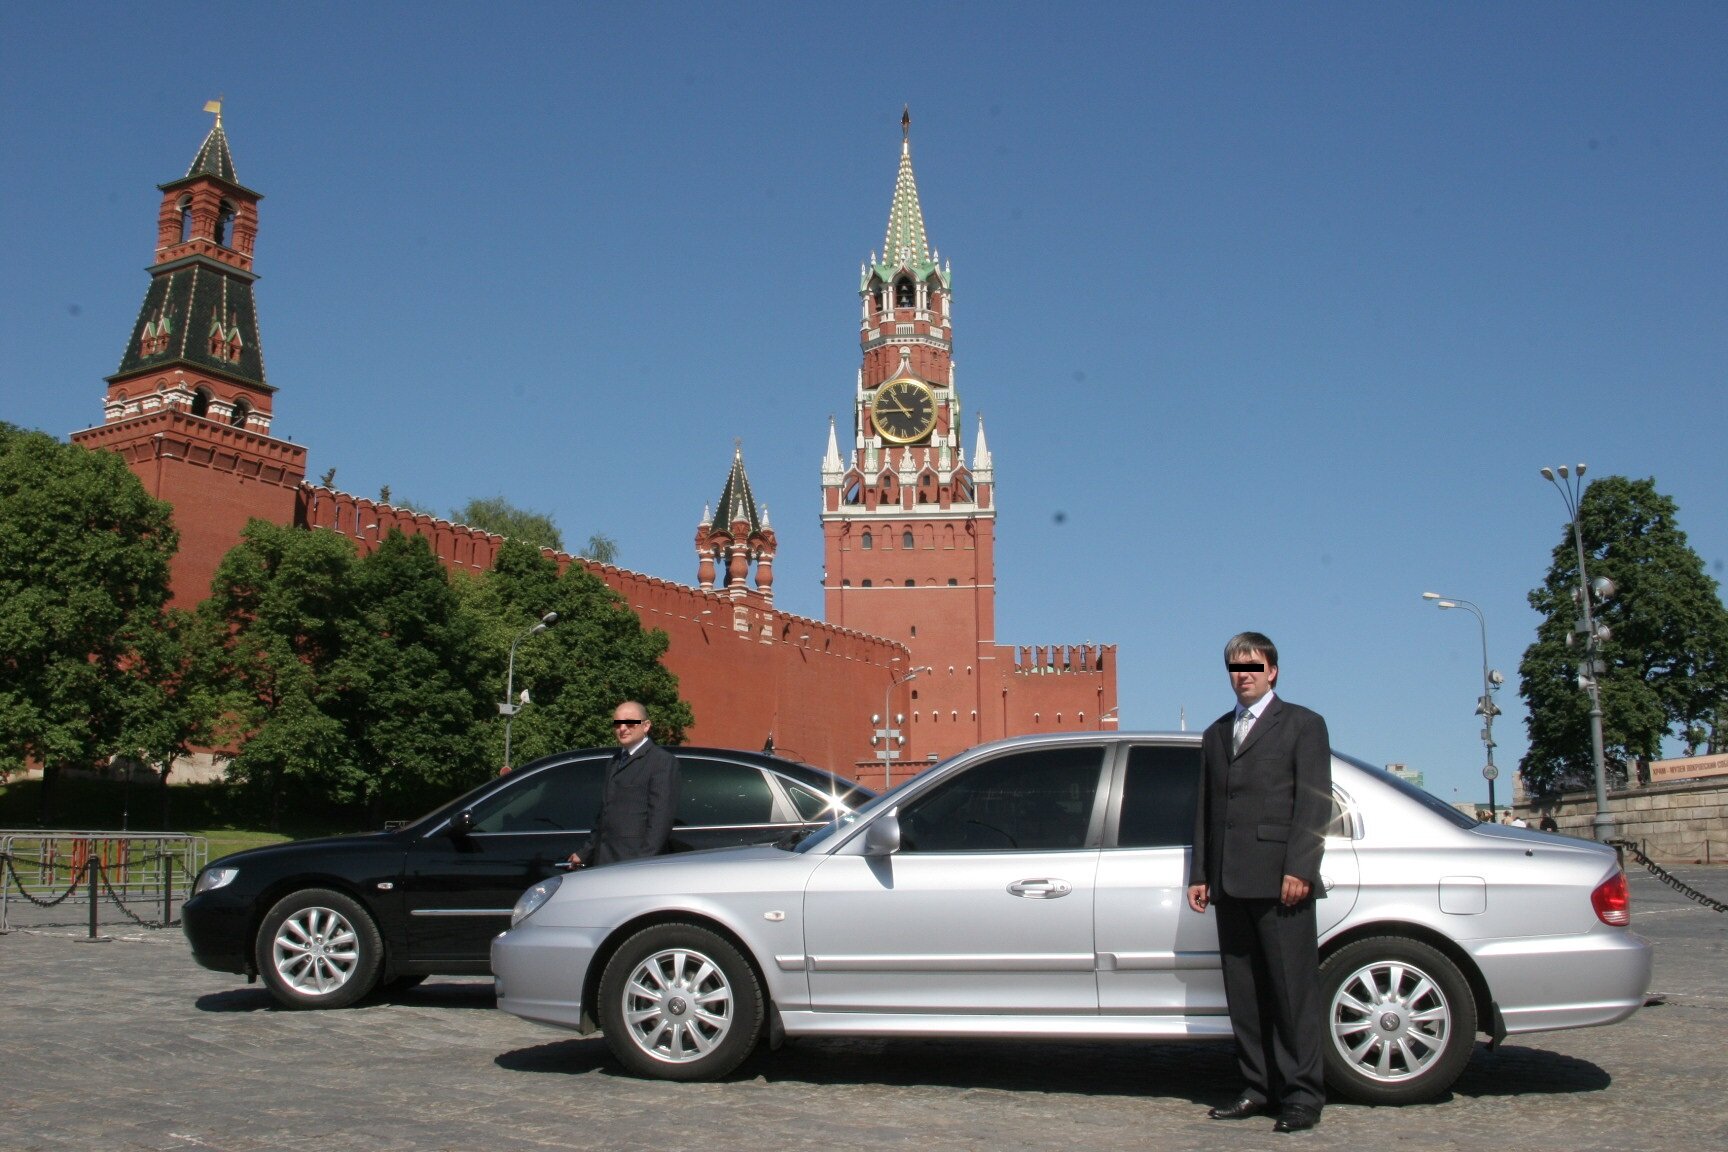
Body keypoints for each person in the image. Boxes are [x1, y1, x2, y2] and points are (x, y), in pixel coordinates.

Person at [1187, 632, 1332, 1134]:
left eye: (1252, 666)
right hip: (1229, 882)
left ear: (1272, 670)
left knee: (1292, 994)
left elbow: (1315, 804)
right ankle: (1257, 1086)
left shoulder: (1302, 725)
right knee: (1244, 994)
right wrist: (1201, 873)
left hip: (1280, 882)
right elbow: (1206, 808)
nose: (1242, 674)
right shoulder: (1214, 734)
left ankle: (1302, 1094)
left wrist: (1300, 868)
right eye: (1234, 667)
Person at [567, 701, 680, 868]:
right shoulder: (614, 762)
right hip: (605, 860)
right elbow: (604, 815)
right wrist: (585, 852)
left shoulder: (661, 761)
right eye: (617, 724)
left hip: (635, 863)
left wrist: (643, 862)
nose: (623, 729)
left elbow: (660, 820)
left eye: (630, 723)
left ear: (646, 726)